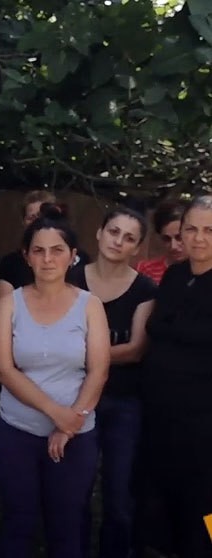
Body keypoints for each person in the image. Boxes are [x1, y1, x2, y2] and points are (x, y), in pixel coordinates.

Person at [0, 203, 110, 558]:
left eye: (57, 250)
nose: (47, 259)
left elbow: (99, 370)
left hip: (76, 433)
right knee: (18, 522)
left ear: (73, 256)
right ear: (26, 257)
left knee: (67, 525)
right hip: (18, 431)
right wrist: (57, 414)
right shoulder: (9, 304)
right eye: (38, 250)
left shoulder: (90, 305)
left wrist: (70, 424)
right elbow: (5, 369)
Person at [77, 208, 156, 558]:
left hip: (123, 402)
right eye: (113, 231)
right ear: (99, 233)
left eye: (129, 238)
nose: (118, 241)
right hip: (74, 399)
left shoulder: (145, 289)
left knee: (119, 495)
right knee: (75, 491)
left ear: (137, 248)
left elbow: (135, 349)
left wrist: (80, 355)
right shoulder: (70, 278)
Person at [137, 195, 212, 557]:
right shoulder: (174, 276)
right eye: (191, 229)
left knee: (206, 506)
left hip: (205, 425)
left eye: (209, 230)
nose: (199, 238)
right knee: (164, 503)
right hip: (162, 417)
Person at [0, 192, 89, 298]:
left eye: (43, 216)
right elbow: (4, 301)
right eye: (32, 217)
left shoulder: (81, 258)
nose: (47, 259)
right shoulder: (10, 263)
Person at [135, 199, 186, 284]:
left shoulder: (203, 271)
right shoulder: (146, 270)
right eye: (167, 239)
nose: (173, 246)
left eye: (179, 237)